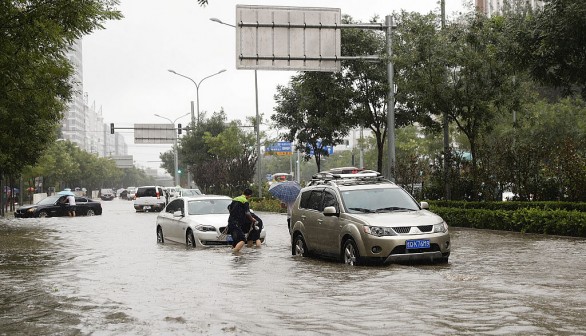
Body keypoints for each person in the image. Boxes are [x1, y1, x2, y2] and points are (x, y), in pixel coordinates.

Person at [227, 188, 257, 253]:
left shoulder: (235, 199)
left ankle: (234, 257)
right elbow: (247, 213)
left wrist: (234, 214)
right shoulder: (245, 201)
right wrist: (252, 219)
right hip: (237, 223)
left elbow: (229, 207)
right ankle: (233, 253)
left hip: (230, 221)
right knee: (242, 239)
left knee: (236, 241)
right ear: (249, 195)